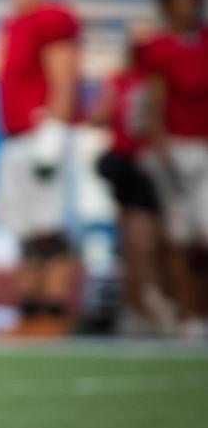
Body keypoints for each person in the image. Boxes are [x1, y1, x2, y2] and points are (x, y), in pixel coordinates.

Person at [0, 0, 82, 337]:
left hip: (41, 134)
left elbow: (64, 78)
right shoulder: (14, 22)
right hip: (15, 137)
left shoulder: (52, 18)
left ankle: (55, 312)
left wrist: (54, 133)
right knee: (26, 231)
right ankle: (30, 314)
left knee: (49, 229)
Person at [139, 0, 208, 338]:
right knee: (179, 238)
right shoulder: (160, 47)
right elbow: (154, 103)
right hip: (177, 148)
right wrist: (162, 151)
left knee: (204, 236)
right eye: (177, 0)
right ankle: (188, 315)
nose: (185, 7)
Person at [89, 46, 169, 336]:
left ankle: (151, 303)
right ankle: (139, 305)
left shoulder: (154, 80)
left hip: (148, 163)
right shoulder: (121, 81)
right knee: (135, 242)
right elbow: (100, 116)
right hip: (128, 164)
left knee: (150, 242)